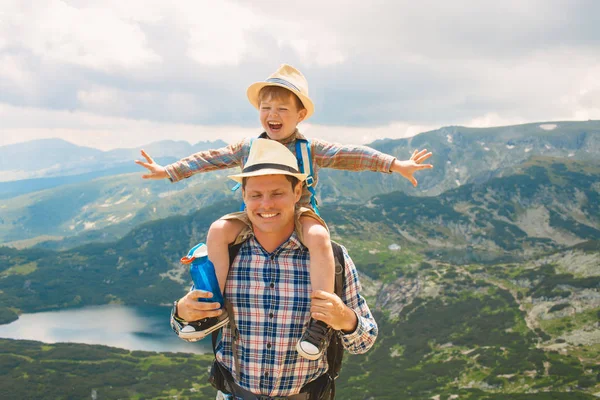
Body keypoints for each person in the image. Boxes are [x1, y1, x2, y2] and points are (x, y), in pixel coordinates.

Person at [136, 64, 432, 359]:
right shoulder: (247, 147)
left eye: (281, 109)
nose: (272, 115)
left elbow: (350, 155)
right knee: (218, 231)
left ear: (300, 114)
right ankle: (214, 307)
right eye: (266, 108)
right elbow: (211, 158)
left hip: (300, 213)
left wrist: (394, 164)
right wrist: (169, 171)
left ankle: (320, 321)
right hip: (253, 215)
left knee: (318, 237)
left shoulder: (310, 148)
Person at [170, 138, 378, 399]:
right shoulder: (227, 251)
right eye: (255, 195)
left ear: (297, 191)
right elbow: (186, 331)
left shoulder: (331, 256)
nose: (266, 205)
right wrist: (182, 313)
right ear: (244, 196)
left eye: (277, 193)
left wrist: (345, 319)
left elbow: (364, 340)